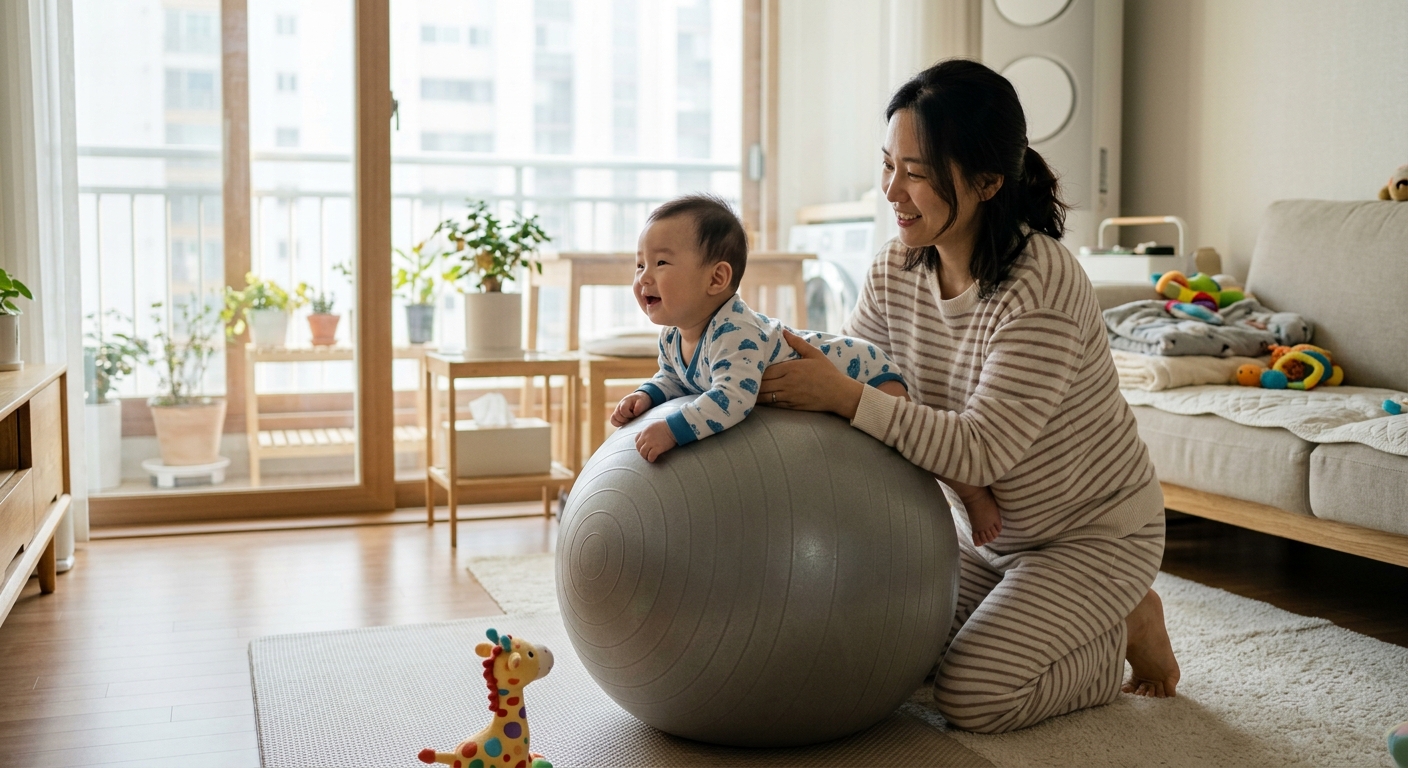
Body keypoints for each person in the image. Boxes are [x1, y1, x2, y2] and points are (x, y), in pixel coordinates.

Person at [757, 59, 1181, 734]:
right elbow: (857, 379)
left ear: (986, 181)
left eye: (917, 172)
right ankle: (1081, 616)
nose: (892, 190)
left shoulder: (1039, 282)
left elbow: (982, 451)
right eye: (888, 164)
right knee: (900, 657)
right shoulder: (894, 269)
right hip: (989, 539)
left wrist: (843, 396)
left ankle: (1120, 626)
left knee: (973, 697)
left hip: (1094, 534)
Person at [612, 194, 1004, 541]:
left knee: (908, 442)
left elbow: (732, 399)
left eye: (660, 262)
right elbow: (675, 378)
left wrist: (672, 430)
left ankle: (969, 491)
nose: (643, 277)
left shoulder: (734, 332)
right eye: (639, 265)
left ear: (717, 278)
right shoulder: (672, 336)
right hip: (829, 379)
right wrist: (646, 396)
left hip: (861, 371)